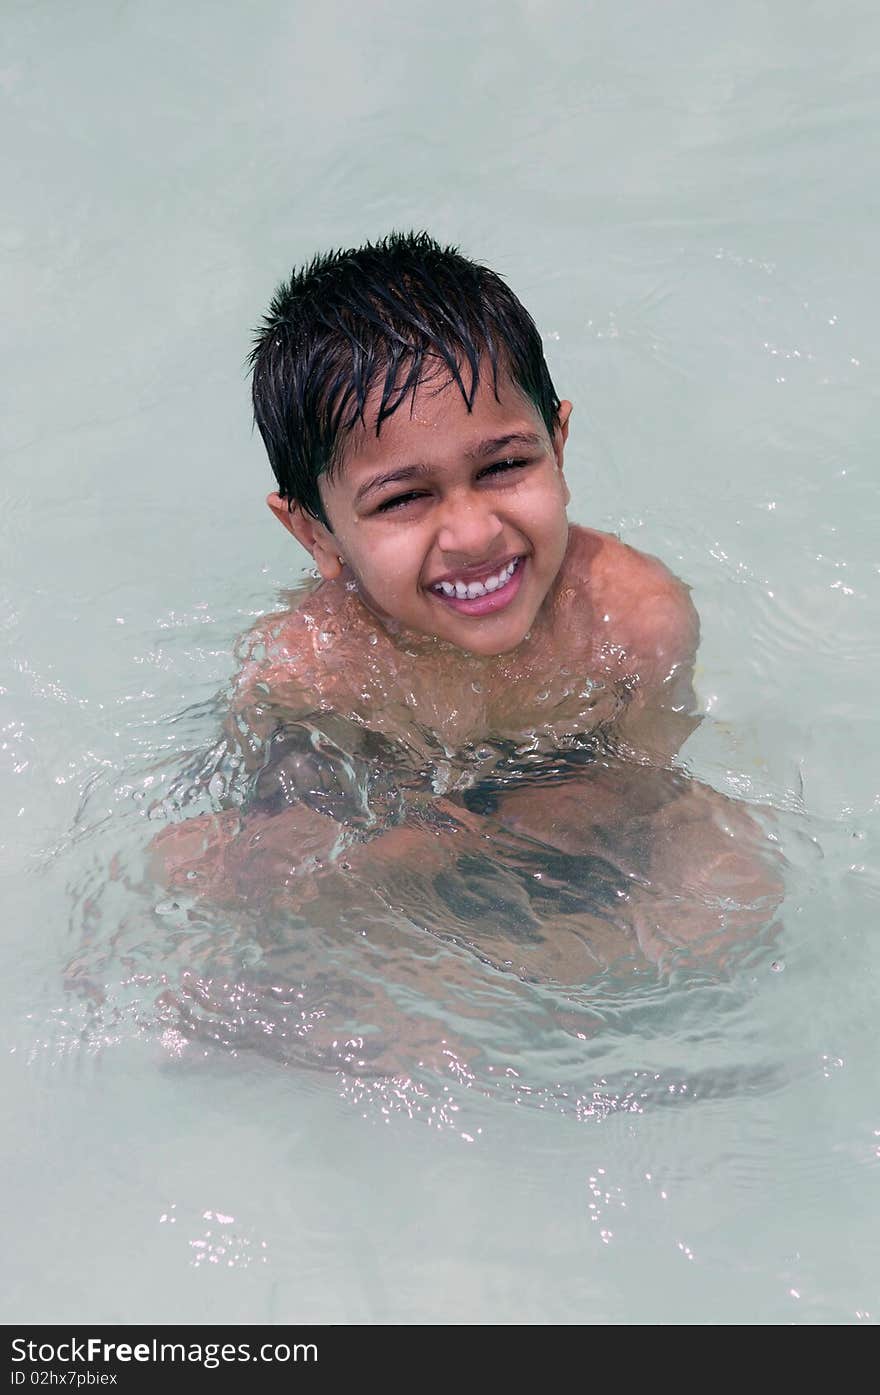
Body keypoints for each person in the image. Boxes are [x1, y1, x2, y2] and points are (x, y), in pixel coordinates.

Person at [153, 232, 781, 973]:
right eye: (405, 497)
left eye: (506, 465)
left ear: (560, 446)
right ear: (316, 534)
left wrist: (454, 841)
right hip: (405, 845)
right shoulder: (315, 667)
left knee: (733, 877)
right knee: (186, 864)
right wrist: (360, 862)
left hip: (573, 834)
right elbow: (287, 855)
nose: (474, 532)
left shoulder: (632, 615)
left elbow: (632, 791)